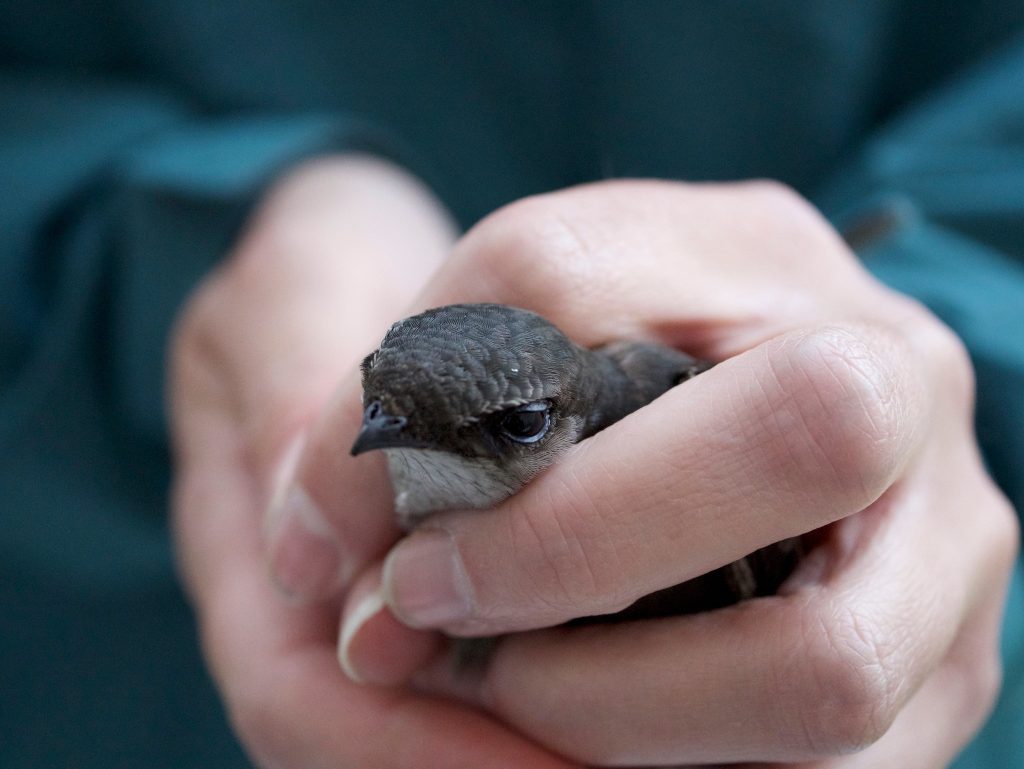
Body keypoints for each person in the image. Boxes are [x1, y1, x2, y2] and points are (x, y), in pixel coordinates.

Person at [2, 4, 1022, 768]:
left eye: (513, 427)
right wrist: (171, 256)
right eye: (383, 405)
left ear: (569, 415)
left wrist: (925, 372)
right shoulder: (388, 470)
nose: (395, 437)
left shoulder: (696, 467)